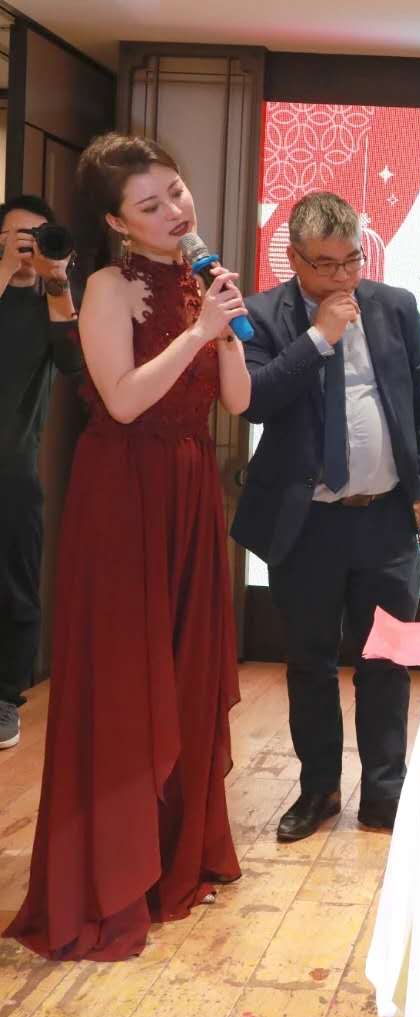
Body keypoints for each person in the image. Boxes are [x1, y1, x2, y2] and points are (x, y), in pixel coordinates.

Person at [4, 133, 251, 960]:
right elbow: (120, 400)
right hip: (123, 495)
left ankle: (173, 855)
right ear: (116, 222)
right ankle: (111, 873)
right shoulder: (109, 287)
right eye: (150, 204)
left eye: (175, 192)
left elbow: (237, 401)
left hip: (189, 487)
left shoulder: (202, 281)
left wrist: (224, 330)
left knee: (184, 672)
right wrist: (195, 332)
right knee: (122, 681)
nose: (174, 210)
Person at [233, 191, 420, 843]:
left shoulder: (394, 306)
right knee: (310, 662)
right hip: (309, 524)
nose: (343, 276)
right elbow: (255, 401)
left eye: (352, 260)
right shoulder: (262, 316)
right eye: (326, 264)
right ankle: (318, 789)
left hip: (385, 518)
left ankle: (384, 793)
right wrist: (318, 338)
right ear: (294, 258)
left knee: (385, 660)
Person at [0, 195, 81, 750]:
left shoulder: (49, 300)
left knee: (15, 587)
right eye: (17, 236)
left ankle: (5, 697)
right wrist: (6, 268)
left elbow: (72, 361)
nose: (29, 244)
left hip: (15, 474)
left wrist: (57, 281)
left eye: (38, 235)